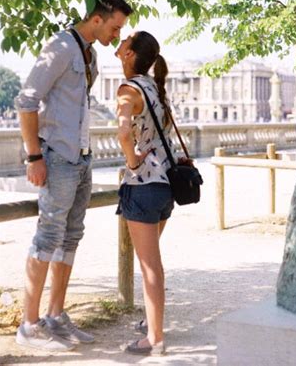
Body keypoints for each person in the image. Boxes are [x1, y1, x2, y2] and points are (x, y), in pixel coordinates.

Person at [15, 0, 133, 351]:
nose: (116, 35)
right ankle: (29, 324)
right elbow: (27, 100)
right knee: (48, 238)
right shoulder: (61, 46)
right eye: (115, 27)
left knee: (70, 238)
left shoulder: (90, 53)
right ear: (97, 18)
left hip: (81, 158)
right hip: (56, 158)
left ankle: (55, 316)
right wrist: (34, 156)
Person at [115, 31, 188, 356]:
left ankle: (154, 340)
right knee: (152, 261)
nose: (119, 43)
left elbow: (123, 131)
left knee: (149, 266)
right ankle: (151, 321)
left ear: (130, 54)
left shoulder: (128, 90)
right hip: (166, 186)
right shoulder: (155, 89)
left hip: (142, 186)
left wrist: (131, 161)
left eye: (124, 41)